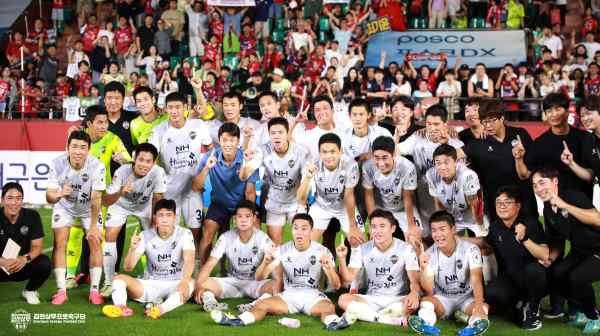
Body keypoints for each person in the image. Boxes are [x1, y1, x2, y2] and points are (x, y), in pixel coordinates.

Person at [210, 213, 347, 330]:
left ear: (311, 231)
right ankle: (238, 321)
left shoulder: (322, 251)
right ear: (291, 229)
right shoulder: (282, 250)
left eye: (304, 229)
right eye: (296, 228)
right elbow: (259, 277)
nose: (299, 232)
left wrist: (329, 269)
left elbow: (336, 285)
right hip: (288, 295)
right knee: (261, 304)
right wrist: (265, 262)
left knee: (328, 307)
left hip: (313, 295)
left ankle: (334, 323)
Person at [101, 199, 195, 319]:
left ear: (175, 217)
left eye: (169, 215)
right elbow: (128, 268)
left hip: (176, 283)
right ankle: (121, 308)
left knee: (191, 282)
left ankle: (160, 310)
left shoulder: (185, 234)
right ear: (155, 217)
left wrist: (184, 281)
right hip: (151, 284)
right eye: (161, 215)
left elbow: (189, 259)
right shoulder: (145, 235)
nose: (165, 219)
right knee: (118, 279)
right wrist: (132, 249)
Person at [532, 168, 600, 333]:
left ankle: (594, 317)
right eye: (534, 185)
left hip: (598, 249)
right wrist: (550, 258)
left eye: (542, 183)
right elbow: (557, 240)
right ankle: (582, 311)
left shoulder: (572, 196)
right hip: (580, 251)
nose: (538, 189)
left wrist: (565, 206)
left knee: (578, 277)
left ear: (555, 182)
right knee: (557, 274)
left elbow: (597, 219)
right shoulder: (548, 210)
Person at [46, 130, 106, 305]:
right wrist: (58, 194)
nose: (78, 151)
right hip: (64, 206)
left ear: (88, 150)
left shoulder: (97, 166)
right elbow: (49, 197)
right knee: (60, 242)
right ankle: (61, 290)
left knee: (95, 241)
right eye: (74, 147)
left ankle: (94, 291)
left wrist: (94, 226)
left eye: (83, 147)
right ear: (67, 148)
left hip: (89, 208)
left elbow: (96, 198)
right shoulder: (57, 163)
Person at [478, 186, 549, 331]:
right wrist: (456, 238)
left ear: (518, 206)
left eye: (507, 202)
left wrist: (524, 238)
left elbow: (544, 254)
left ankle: (533, 309)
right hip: (512, 277)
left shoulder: (530, 223)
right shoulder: (496, 227)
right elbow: (484, 242)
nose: (502, 206)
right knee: (492, 293)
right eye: (499, 202)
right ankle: (520, 304)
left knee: (534, 270)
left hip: (534, 277)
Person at [408, 211, 490, 336]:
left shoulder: (470, 249)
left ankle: (474, 326)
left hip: (466, 298)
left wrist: (478, 305)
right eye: (434, 230)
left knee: (483, 307)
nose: (438, 234)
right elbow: (429, 290)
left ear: (453, 229)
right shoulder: (429, 253)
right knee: (426, 301)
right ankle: (425, 324)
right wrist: (424, 268)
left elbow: (476, 279)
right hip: (443, 299)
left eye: (442, 229)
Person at [149, 91, 213, 250]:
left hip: (193, 189)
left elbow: (210, 149)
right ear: (165, 109)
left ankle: (198, 263)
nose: (174, 111)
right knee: (168, 230)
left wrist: (203, 174)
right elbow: (150, 156)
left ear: (185, 107)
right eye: (170, 107)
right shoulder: (159, 131)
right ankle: (172, 266)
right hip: (170, 190)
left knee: (196, 229)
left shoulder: (198, 125)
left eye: (178, 107)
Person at [101, 143, 166, 297]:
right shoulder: (122, 172)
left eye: (148, 161)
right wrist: (120, 192)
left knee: (152, 236)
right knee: (110, 236)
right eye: (141, 160)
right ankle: (109, 281)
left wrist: (154, 220)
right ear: (134, 159)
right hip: (120, 204)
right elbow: (106, 201)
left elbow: (158, 197)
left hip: (145, 206)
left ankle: (149, 276)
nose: (144, 164)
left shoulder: (158, 172)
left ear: (153, 162)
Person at [336, 209, 421, 327]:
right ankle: (389, 319)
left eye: (382, 226)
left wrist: (414, 293)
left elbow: (414, 281)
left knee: (413, 302)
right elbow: (348, 279)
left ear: (392, 228)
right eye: (374, 227)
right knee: (343, 299)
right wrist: (341, 259)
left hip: (397, 298)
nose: (377, 231)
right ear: (370, 229)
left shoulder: (405, 249)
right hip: (371, 299)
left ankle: (365, 315)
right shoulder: (362, 249)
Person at [194, 123, 260, 264]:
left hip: (242, 204)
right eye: (224, 140)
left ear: (238, 141)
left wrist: (250, 216)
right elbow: (195, 186)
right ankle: (203, 272)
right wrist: (206, 168)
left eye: (232, 140)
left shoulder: (247, 158)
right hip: (219, 204)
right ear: (219, 140)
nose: (228, 144)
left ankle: (247, 270)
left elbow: (250, 192)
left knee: (251, 234)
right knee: (207, 232)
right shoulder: (210, 156)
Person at [194, 200, 275, 312]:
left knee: (276, 285)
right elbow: (210, 264)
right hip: (231, 281)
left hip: (254, 283)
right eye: (239, 216)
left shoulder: (263, 238)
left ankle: (254, 305)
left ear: (254, 219)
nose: (243, 220)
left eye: (247, 216)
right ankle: (210, 302)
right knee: (202, 282)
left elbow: (274, 264)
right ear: (234, 219)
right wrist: (199, 286)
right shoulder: (226, 237)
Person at [396, 104, 464, 238]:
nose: (432, 128)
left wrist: (447, 144)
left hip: (450, 205)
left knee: (452, 242)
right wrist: (396, 138)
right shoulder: (417, 138)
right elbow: (395, 153)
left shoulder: (455, 143)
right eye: (429, 123)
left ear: (445, 124)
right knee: (424, 240)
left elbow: (462, 170)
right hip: (423, 203)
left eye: (437, 124)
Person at [464, 102, 538, 220]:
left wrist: (518, 159)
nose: (488, 125)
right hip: (496, 207)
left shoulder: (520, 135)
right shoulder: (478, 143)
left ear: (502, 118)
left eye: (492, 120)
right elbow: (455, 154)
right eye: (484, 121)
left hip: (524, 203)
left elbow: (525, 175)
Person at [296, 133, 364, 247]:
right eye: (324, 152)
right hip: (321, 206)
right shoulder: (312, 164)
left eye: (332, 152)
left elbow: (349, 196)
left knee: (359, 242)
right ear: (319, 153)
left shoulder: (350, 165)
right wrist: (308, 177)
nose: (328, 156)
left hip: (344, 208)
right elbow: (301, 199)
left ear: (340, 151)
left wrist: (353, 226)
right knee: (305, 244)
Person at [258, 117, 310, 245]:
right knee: (275, 244)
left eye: (280, 132)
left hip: (295, 203)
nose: (276, 136)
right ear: (269, 135)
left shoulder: (301, 152)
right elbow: (247, 171)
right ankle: (278, 265)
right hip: (274, 202)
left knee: (301, 242)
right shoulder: (264, 150)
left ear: (288, 134)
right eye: (273, 133)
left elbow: (305, 182)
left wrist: (302, 204)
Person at [0, 182, 51, 304]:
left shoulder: (32, 216)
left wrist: (24, 259)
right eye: (10, 198)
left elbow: (37, 246)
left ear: (22, 200)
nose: (14, 203)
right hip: (0, 266)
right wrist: (2, 261)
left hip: (21, 265)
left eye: (18, 198)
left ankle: (29, 290)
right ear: (2, 200)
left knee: (44, 263)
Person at [362, 136, 420, 240]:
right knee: (374, 240)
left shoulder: (407, 167)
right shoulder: (368, 167)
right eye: (376, 157)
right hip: (381, 207)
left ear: (393, 154)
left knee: (414, 238)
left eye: (384, 157)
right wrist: (372, 224)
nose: (381, 163)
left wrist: (411, 225)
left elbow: (408, 197)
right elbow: (368, 195)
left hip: (403, 208)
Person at [426, 144, 487, 238]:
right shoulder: (431, 175)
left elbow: (475, 205)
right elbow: (438, 204)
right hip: (453, 218)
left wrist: (481, 229)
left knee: (483, 244)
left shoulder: (467, 175)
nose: (442, 167)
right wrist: (444, 227)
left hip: (473, 218)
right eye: (438, 163)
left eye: (446, 162)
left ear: (455, 162)